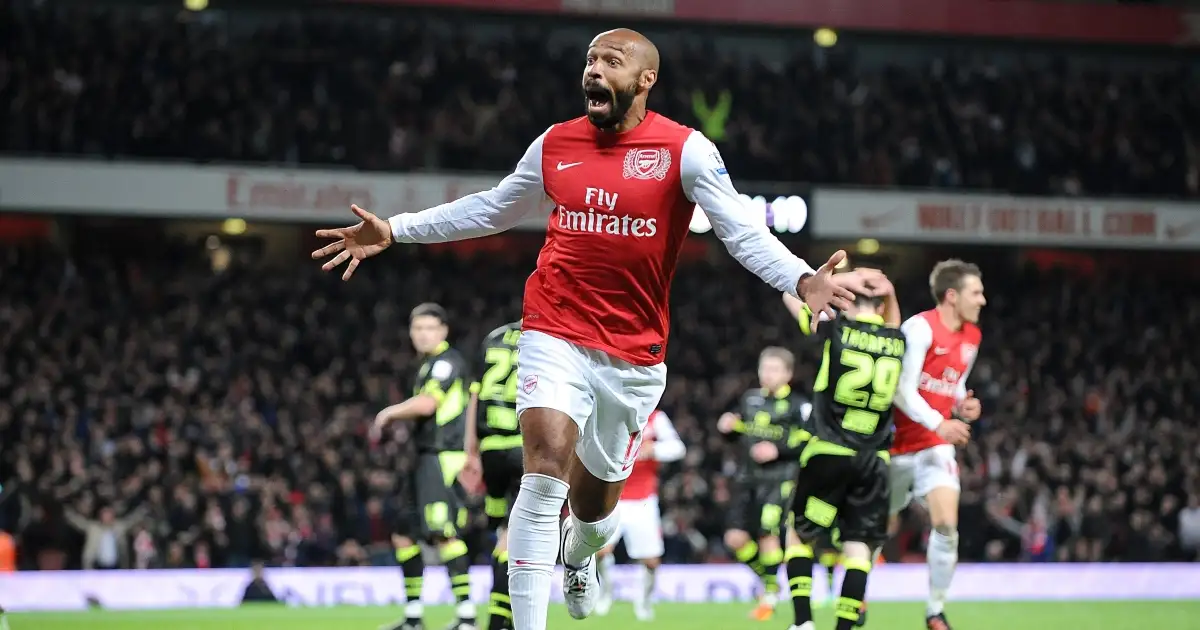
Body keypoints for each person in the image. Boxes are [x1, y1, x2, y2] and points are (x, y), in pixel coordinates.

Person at [311, 27, 874, 630]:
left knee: (595, 509)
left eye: (612, 61)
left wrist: (800, 279)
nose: (594, 70)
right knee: (545, 466)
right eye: (590, 60)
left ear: (645, 79)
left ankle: (580, 554)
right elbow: (493, 206)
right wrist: (397, 229)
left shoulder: (684, 150)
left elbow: (740, 229)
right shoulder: (556, 143)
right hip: (553, 328)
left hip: (633, 358)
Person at [755, 273, 911, 630]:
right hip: (874, 460)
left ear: (846, 300)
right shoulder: (896, 339)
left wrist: (839, 278)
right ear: (883, 305)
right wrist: (890, 288)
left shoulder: (836, 329)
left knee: (799, 535)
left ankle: (803, 622)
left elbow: (792, 295)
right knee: (858, 548)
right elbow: (893, 320)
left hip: (828, 452)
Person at [889, 260, 984, 630]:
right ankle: (857, 592)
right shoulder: (919, 328)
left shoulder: (972, 337)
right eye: (976, 292)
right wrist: (941, 421)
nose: (983, 300)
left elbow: (951, 382)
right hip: (896, 445)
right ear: (952, 295)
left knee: (946, 525)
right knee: (880, 528)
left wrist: (962, 404)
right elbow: (901, 388)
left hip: (934, 445)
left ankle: (935, 610)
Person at [374, 303, 476, 630]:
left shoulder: (447, 364)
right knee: (403, 535)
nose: (422, 334)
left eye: (429, 328)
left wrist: (389, 412)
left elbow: (429, 403)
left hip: (442, 457)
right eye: (417, 328)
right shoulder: (427, 365)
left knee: (442, 532)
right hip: (422, 458)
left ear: (443, 330)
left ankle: (467, 616)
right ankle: (414, 617)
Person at [716, 347, 811, 621]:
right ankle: (771, 582)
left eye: (773, 369)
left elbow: (808, 440)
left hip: (780, 479)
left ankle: (768, 598)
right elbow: (741, 434)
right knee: (734, 538)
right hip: (747, 479)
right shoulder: (749, 400)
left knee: (767, 534)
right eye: (764, 368)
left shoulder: (798, 405)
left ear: (788, 374)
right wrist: (728, 429)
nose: (766, 374)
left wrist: (778, 450)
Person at [460, 321, 525, 630]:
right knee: (517, 538)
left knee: (500, 530)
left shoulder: (493, 336)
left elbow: (474, 396)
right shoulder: (549, 334)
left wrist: (470, 450)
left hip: (490, 450)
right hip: (527, 448)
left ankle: (502, 612)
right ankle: (500, 619)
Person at [594, 408, 686, 621]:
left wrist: (654, 449)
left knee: (651, 561)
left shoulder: (656, 418)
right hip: (612, 497)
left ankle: (644, 600)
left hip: (644, 500)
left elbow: (678, 448)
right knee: (601, 551)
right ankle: (605, 593)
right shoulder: (610, 412)